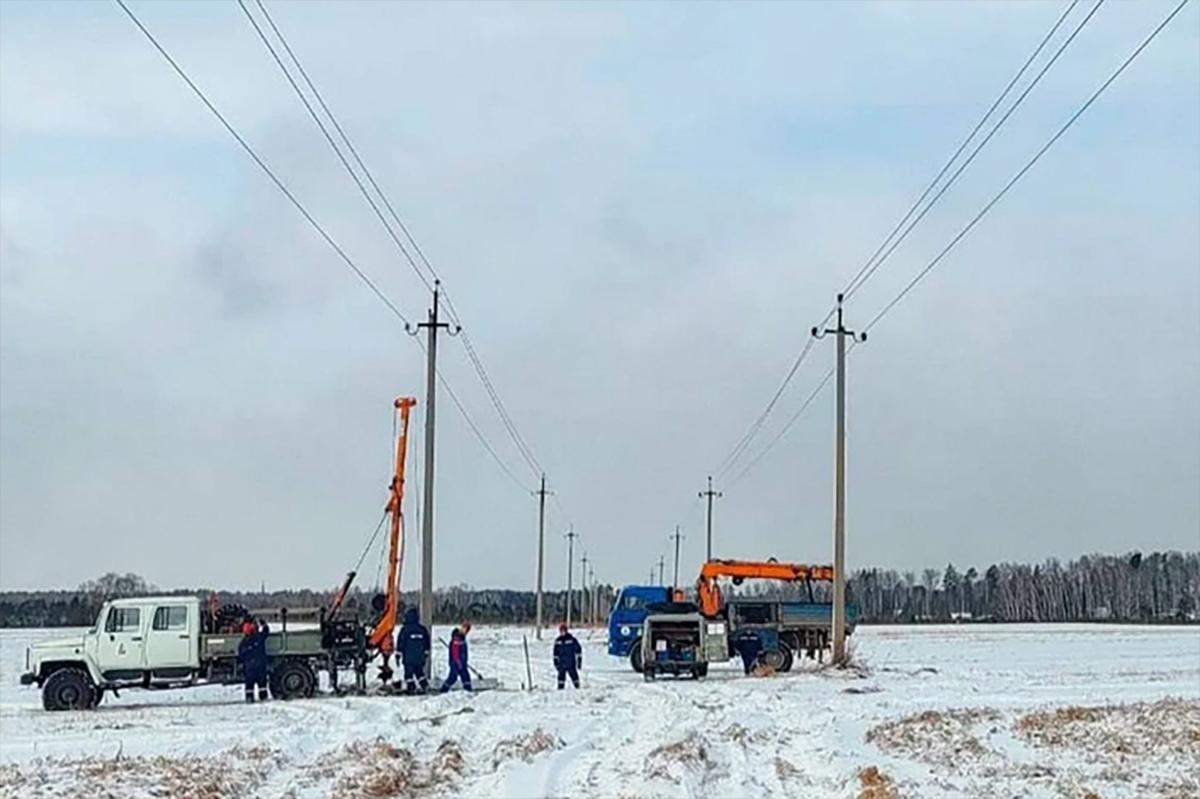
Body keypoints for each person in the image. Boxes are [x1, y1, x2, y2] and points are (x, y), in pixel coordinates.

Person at [396, 607, 430, 695]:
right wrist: (426, 653)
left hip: (408, 658)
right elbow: (427, 642)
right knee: (419, 672)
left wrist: (398, 654)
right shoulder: (422, 629)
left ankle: (411, 688)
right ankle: (424, 685)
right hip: (420, 657)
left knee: (409, 674)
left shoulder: (405, 630)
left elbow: (401, 642)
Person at [238, 618, 271, 702]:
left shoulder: (244, 642)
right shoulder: (259, 638)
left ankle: (249, 698)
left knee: (249, 683)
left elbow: (241, 654)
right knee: (262, 683)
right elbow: (266, 632)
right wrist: (264, 624)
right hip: (260, 664)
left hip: (250, 666)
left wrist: (244, 662)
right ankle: (263, 697)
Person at [439, 626, 472, 693]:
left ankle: (468, 689)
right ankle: (444, 689)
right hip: (456, 663)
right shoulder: (457, 639)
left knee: (465, 676)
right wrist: (458, 662)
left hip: (462, 662)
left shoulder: (462, 639)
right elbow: (455, 653)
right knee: (453, 677)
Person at [553, 623, 582, 689]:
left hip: (571, 663)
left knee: (574, 676)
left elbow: (578, 650)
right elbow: (555, 653)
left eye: (564, 631)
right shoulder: (558, 641)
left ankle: (577, 688)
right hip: (561, 663)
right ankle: (560, 689)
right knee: (561, 678)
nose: (563, 632)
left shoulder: (572, 640)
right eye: (561, 631)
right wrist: (555, 662)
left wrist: (579, 661)